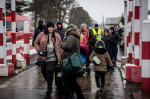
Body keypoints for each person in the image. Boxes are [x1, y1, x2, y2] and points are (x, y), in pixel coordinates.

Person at [34, 21, 63, 95]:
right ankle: (49, 82)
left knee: (49, 70)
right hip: (43, 56)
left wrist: (60, 53)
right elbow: (35, 43)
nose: (51, 28)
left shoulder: (57, 35)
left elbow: (61, 45)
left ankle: (49, 87)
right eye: (49, 27)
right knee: (44, 72)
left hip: (53, 56)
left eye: (52, 27)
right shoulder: (41, 34)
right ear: (47, 27)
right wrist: (39, 50)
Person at [60, 24, 85, 99]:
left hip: (69, 62)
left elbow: (67, 46)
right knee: (70, 80)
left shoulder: (71, 36)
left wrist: (61, 44)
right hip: (71, 61)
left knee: (69, 80)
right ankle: (69, 95)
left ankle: (77, 96)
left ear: (68, 30)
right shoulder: (74, 36)